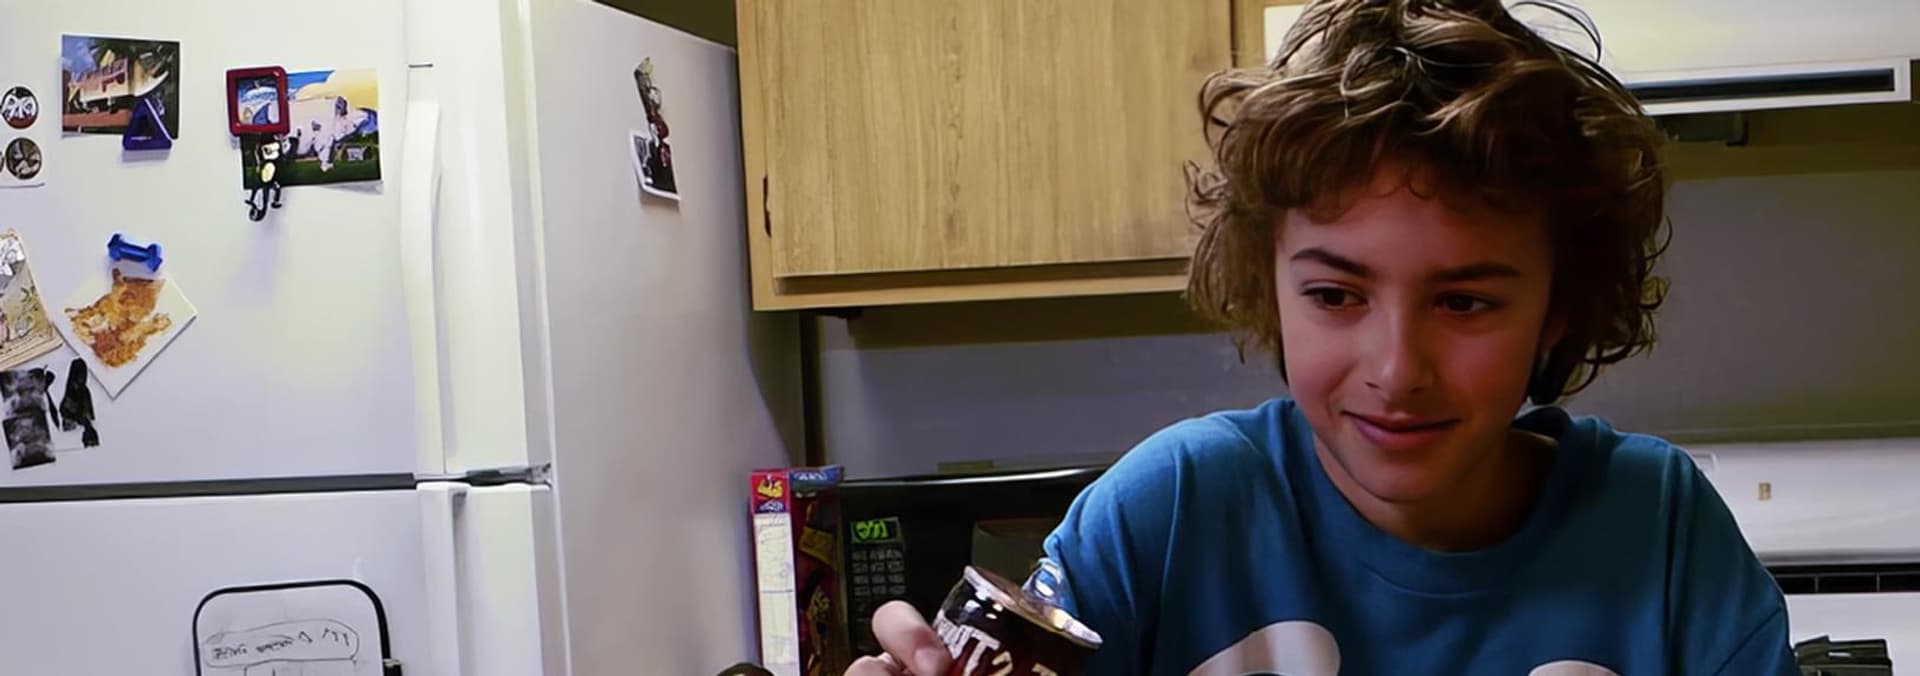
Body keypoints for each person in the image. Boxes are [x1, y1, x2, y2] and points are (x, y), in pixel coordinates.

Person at [848, 0, 1794, 673]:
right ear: (1271, 285)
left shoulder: (1659, 528)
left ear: (1558, 307)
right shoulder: (1168, 514)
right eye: (1337, 295)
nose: (1397, 371)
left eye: (1465, 303)